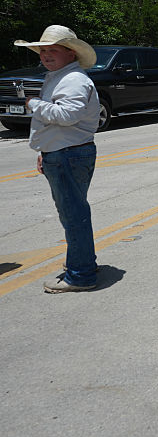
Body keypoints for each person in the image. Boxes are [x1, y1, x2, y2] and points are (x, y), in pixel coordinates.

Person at [14, 25, 102, 293]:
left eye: (53, 50)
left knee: (73, 215)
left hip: (68, 154)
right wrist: (45, 152)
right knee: (73, 213)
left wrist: (32, 105)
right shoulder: (60, 76)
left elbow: (67, 116)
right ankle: (82, 263)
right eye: (43, 50)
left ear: (71, 53)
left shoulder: (73, 80)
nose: (46, 55)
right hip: (65, 153)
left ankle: (81, 274)